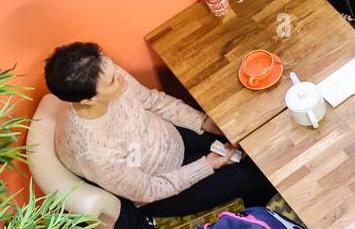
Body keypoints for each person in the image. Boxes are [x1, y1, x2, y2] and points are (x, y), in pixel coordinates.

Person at [46, 42, 273, 217]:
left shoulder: (108, 76)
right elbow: (148, 190)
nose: (121, 78)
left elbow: (155, 102)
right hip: (162, 189)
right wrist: (208, 164)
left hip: (171, 139)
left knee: (250, 138)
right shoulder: (96, 152)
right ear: (87, 100)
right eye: (113, 80)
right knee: (260, 174)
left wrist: (205, 123)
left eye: (113, 68)